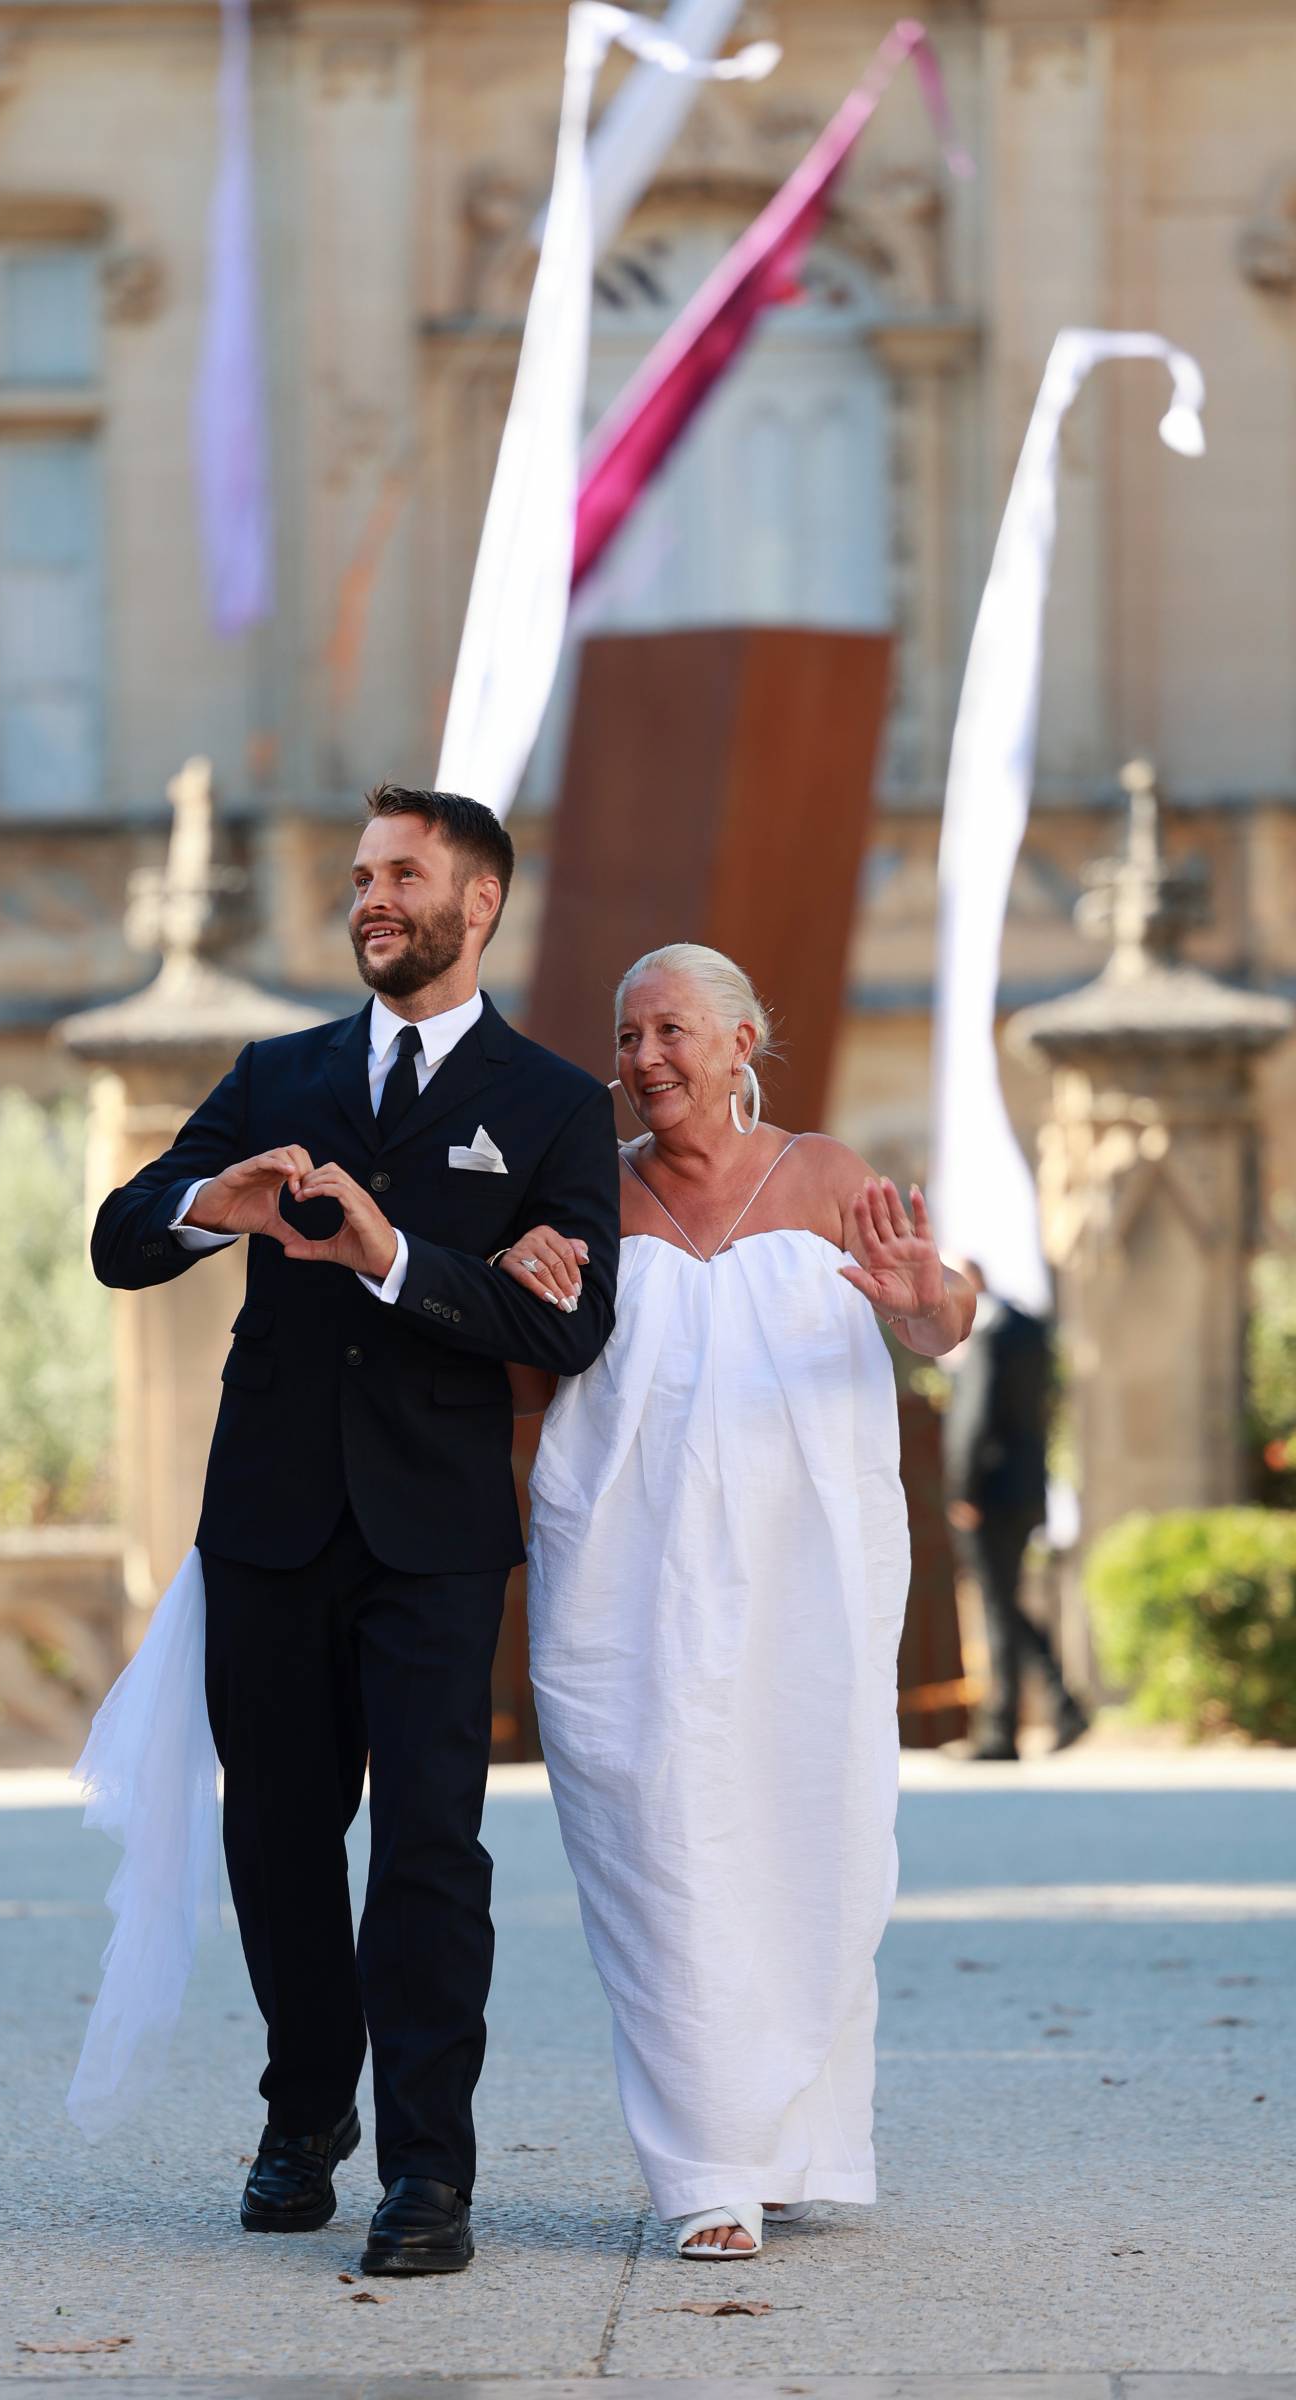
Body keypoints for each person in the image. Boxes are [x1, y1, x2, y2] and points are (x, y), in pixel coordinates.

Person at [89, 785, 620, 2276]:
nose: (370, 896)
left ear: (480, 904)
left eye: (402, 874)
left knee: (432, 1853)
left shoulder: (557, 1106)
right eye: (362, 876)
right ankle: (305, 2110)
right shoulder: (277, 1072)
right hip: (266, 1520)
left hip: (436, 1535)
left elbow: (571, 1331)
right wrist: (214, 1200)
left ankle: (430, 2177)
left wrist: (406, 1262)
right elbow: (118, 1237)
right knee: (275, 1837)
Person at [498, 943, 975, 2263]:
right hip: (627, 1586)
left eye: (672, 1032)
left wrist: (927, 1302)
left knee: (815, 1841)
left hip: (806, 1582)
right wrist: (519, 1277)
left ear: (742, 1042)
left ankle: (803, 2146)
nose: (646, 1058)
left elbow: (942, 1315)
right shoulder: (587, 1195)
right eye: (628, 1035)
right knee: (659, 1851)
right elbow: (524, 1377)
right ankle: (706, 2168)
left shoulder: (824, 1177)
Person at [943, 1261, 1088, 1762]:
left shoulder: (989, 1334)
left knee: (997, 1606)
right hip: (1028, 1489)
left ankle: (1001, 1732)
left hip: (989, 1494)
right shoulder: (1030, 1329)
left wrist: (961, 1490)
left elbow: (973, 1418)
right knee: (1006, 1603)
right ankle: (1062, 1705)